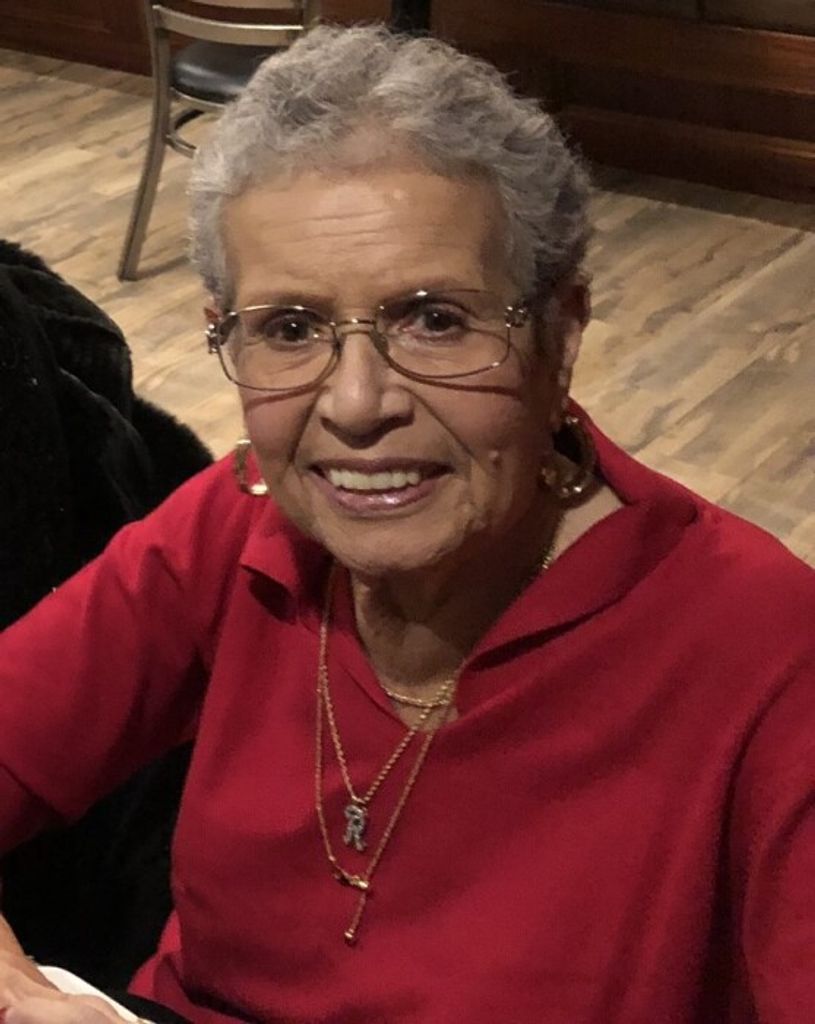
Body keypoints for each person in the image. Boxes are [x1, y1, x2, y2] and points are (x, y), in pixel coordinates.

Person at [0, 23, 812, 1024]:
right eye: (289, 328)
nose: (355, 404)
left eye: (434, 319)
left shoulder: (765, 655)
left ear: (559, 334)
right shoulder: (242, 519)